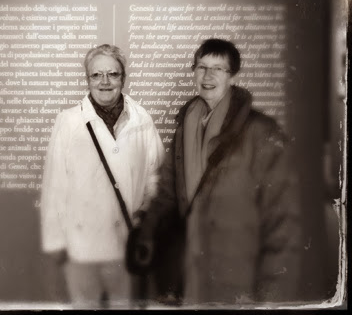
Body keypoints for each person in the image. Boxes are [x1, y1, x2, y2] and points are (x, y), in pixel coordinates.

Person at [134, 38, 301, 306]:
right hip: (193, 275)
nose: (208, 76)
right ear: (193, 72)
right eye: (202, 67)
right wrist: (146, 234)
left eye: (218, 69)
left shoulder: (261, 132)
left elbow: (283, 223)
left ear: (232, 76)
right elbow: (167, 192)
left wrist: (271, 298)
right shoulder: (185, 128)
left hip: (241, 281)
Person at [40, 44, 165, 308]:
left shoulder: (142, 120)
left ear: (123, 78)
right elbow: (55, 185)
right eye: (96, 75)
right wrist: (56, 242)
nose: (104, 82)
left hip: (127, 246)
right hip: (81, 248)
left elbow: (156, 177)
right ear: (87, 79)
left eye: (113, 74)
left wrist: (147, 221)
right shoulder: (68, 121)